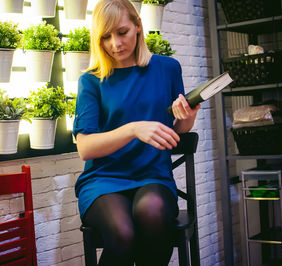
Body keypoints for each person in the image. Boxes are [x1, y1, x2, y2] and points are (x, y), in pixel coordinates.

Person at [73, 0, 200, 265]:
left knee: (151, 214)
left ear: (138, 26)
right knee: (122, 234)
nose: (115, 44)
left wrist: (188, 118)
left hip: (153, 176)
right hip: (103, 180)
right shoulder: (91, 80)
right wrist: (133, 129)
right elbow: (85, 148)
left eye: (122, 32)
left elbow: (175, 134)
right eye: (105, 37)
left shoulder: (168, 68)